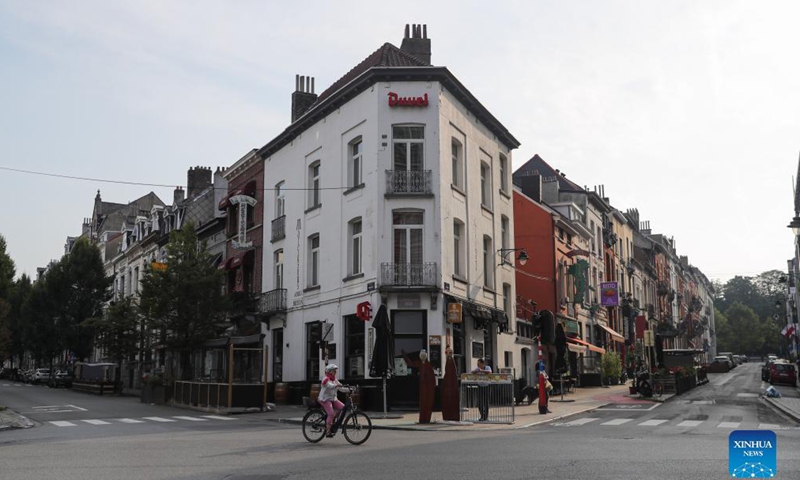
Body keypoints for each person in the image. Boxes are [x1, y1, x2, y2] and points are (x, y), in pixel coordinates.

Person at [318, 364, 345, 437]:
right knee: (331, 413)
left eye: (335, 370)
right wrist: (336, 385)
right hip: (325, 399)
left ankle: (332, 420)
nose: (335, 372)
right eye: (334, 370)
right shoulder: (326, 379)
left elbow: (341, 387)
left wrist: (349, 390)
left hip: (333, 398)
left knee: (343, 408)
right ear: (329, 371)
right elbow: (329, 386)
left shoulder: (334, 379)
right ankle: (328, 431)